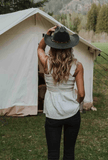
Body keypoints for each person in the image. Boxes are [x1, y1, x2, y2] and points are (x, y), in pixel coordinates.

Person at [37, 26, 85, 160]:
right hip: (72, 114)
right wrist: (75, 103)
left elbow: (40, 49)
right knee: (69, 153)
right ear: (70, 46)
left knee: (53, 154)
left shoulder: (46, 63)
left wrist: (46, 35)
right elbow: (81, 94)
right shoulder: (78, 66)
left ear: (52, 46)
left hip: (53, 114)